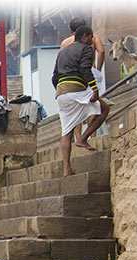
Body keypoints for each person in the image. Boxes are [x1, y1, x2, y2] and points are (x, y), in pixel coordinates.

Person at [52, 25, 111, 177]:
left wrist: (61, 91)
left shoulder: (63, 52)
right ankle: (83, 139)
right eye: (91, 37)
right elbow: (85, 69)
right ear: (84, 36)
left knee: (66, 132)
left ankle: (67, 170)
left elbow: (54, 76)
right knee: (104, 109)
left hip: (61, 92)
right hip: (76, 88)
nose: (92, 40)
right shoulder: (86, 49)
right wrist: (95, 90)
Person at [60, 18, 107, 139]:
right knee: (93, 104)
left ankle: (78, 137)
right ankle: (92, 135)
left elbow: (61, 61)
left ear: (71, 30)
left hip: (71, 78)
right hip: (90, 72)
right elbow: (101, 51)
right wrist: (98, 68)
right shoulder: (94, 37)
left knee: (76, 109)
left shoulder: (65, 43)